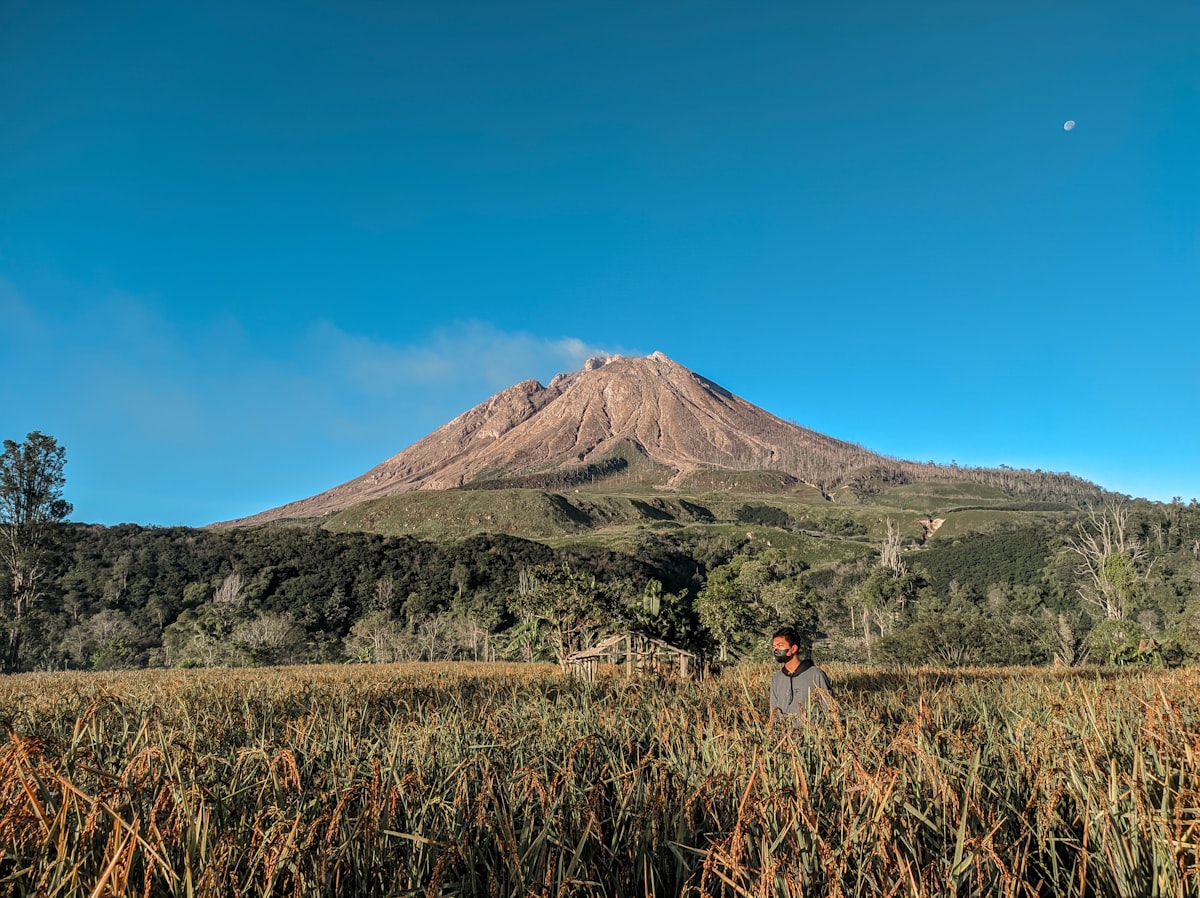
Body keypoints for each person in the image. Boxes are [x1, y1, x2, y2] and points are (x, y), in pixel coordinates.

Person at [769, 627, 832, 727]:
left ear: (793, 648)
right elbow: (774, 714)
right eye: (774, 646)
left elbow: (830, 709)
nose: (776, 649)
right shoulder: (776, 679)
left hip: (813, 737)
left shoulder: (816, 675)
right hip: (785, 738)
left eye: (780, 645)